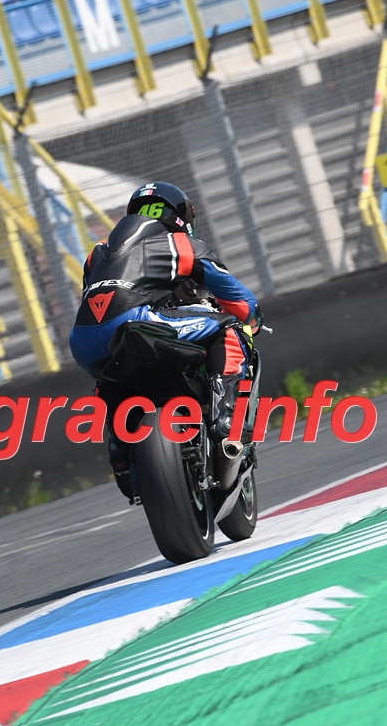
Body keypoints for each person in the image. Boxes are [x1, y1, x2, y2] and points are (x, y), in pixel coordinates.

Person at [69, 181, 264, 499]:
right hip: (137, 323)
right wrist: (254, 321)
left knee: (110, 377)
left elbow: (104, 299)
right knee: (231, 326)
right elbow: (240, 302)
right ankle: (226, 417)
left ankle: (120, 449)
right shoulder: (180, 244)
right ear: (181, 217)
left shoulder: (97, 254)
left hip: (82, 340)